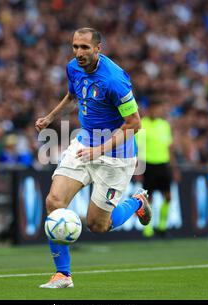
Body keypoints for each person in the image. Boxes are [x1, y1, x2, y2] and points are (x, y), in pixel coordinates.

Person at [35, 27, 152, 289]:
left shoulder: (114, 80)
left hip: (116, 155)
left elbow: (134, 124)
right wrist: (50, 118)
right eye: (75, 46)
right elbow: (72, 96)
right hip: (85, 143)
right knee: (54, 201)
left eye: (85, 47)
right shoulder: (73, 68)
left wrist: (100, 150)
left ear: (99, 48)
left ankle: (137, 203)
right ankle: (63, 275)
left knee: (97, 225)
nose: (79, 52)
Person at [136, 98, 179, 237]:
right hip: (149, 165)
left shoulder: (165, 125)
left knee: (168, 197)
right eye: (156, 108)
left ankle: (162, 226)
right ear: (150, 109)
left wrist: (174, 167)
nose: (158, 111)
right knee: (149, 199)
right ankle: (148, 229)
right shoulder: (142, 124)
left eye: (160, 109)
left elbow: (169, 147)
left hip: (163, 164)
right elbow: (138, 148)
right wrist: (139, 168)